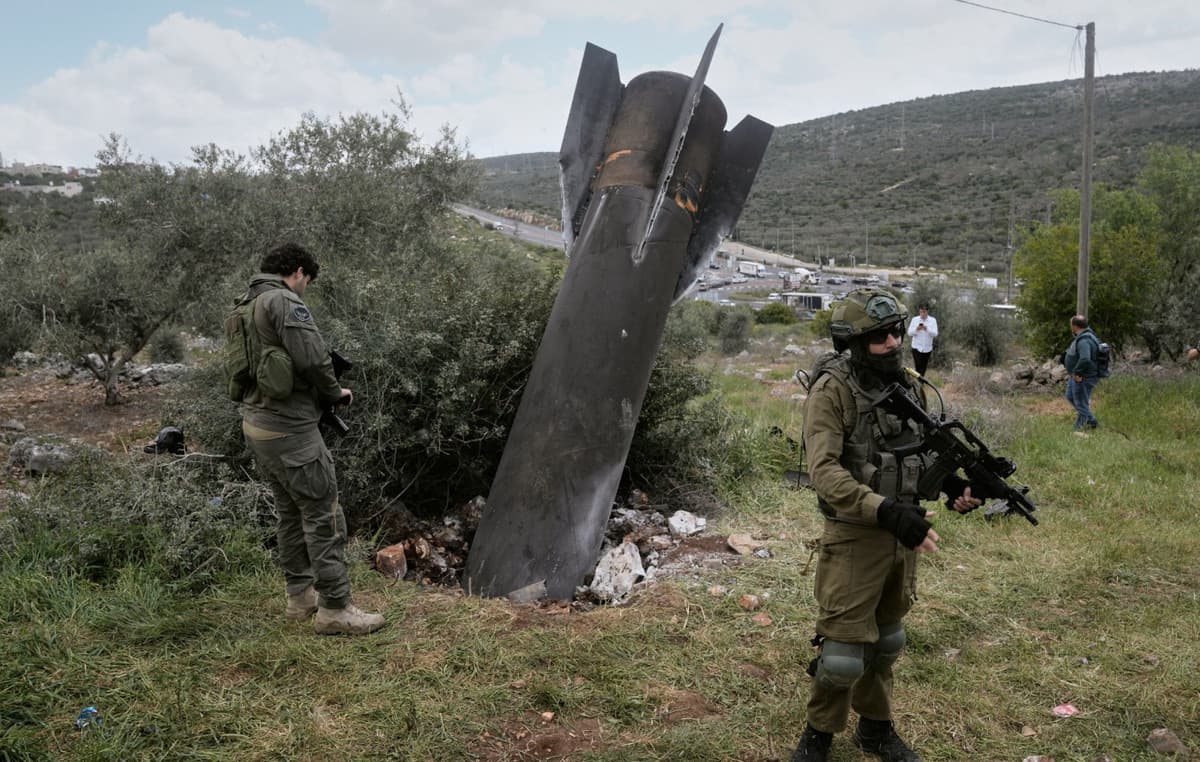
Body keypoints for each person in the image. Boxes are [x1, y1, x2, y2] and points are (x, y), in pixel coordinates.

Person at [791, 289, 981, 762]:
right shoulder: (832, 390)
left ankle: (875, 729)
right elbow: (826, 472)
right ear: (853, 343)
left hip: (902, 530)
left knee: (888, 640)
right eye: (880, 336)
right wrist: (883, 510)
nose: (893, 342)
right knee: (841, 655)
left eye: (897, 331)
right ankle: (819, 734)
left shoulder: (908, 384)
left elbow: (915, 454)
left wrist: (953, 486)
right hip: (856, 531)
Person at [234, 242, 385, 635]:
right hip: (290, 429)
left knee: (289, 512)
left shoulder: (246, 305)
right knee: (323, 514)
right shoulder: (284, 302)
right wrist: (336, 393)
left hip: (257, 425)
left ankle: (299, 597)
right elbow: (313, 358)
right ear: (298, 272)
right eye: (307, 282)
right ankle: (335, 608)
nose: (305, 289)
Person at [1063, 315, 1100, 431]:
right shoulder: (1086, 336)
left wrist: (1077, 372)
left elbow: (1085, 358)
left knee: (1080, 402)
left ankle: (1080, 428)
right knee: (1070, 396)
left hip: (1082, 376)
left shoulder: (1084, 340)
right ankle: (1090, 420)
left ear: (1074, 326)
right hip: (1077, 376)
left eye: (1071, 325)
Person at [905, 304, 938, 377]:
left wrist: (927, 329)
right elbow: (909, 333)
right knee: (918, 367)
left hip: (927, 348)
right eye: (921, 312)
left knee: (923, 367)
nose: (922, 314)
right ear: (919, 311)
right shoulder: (915, 319)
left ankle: (920, 383)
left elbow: (935, 334)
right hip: (916, 347)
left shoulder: (933, 320)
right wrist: (917, 329)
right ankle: (917, 383)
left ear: (927, 311)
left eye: (924, 312)